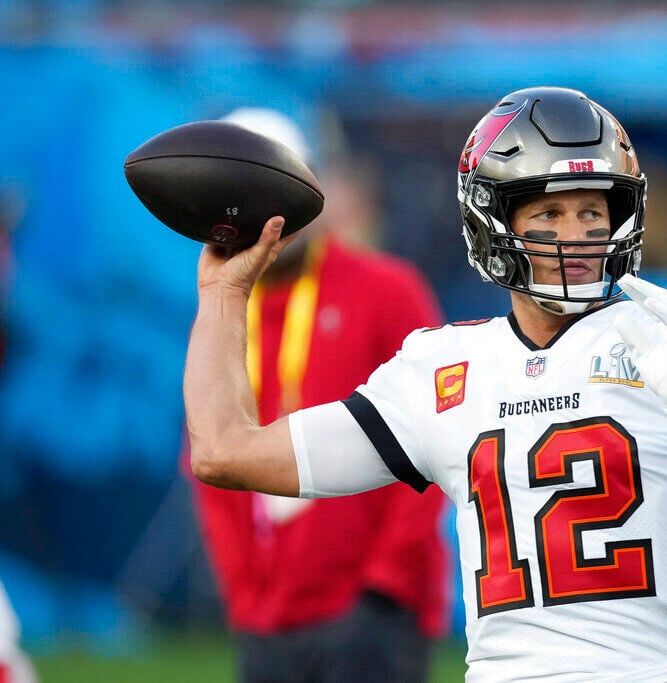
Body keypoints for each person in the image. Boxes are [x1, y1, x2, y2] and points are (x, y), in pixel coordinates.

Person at [184, 87, 667, 682]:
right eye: (549, 213)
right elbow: (224, 450)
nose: (578, 234)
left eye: (594, 209)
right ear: (492, 218)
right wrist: (222, 291)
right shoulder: (445, 368)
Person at [184, 107, 451, 683]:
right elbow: (206, 459)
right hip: (269, 615)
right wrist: (246, 597)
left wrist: (384, 584)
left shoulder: (387, 290)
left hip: (373, 611)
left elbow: (435, 440)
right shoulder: (222, 313)